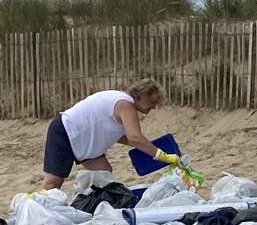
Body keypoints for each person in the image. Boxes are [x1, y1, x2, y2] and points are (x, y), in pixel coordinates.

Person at [42, 79, 175, 190]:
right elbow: (135, 138)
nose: (154, 107)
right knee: (53, 183)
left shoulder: (121, 101)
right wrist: (161, 155)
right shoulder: (126, 104)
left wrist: (147, 147)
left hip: (85, 141)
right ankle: (36, 212)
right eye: (152, 102)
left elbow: (125, 137)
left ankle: (87, 203)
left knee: (103, 173)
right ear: (142, 95)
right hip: (67, 132)